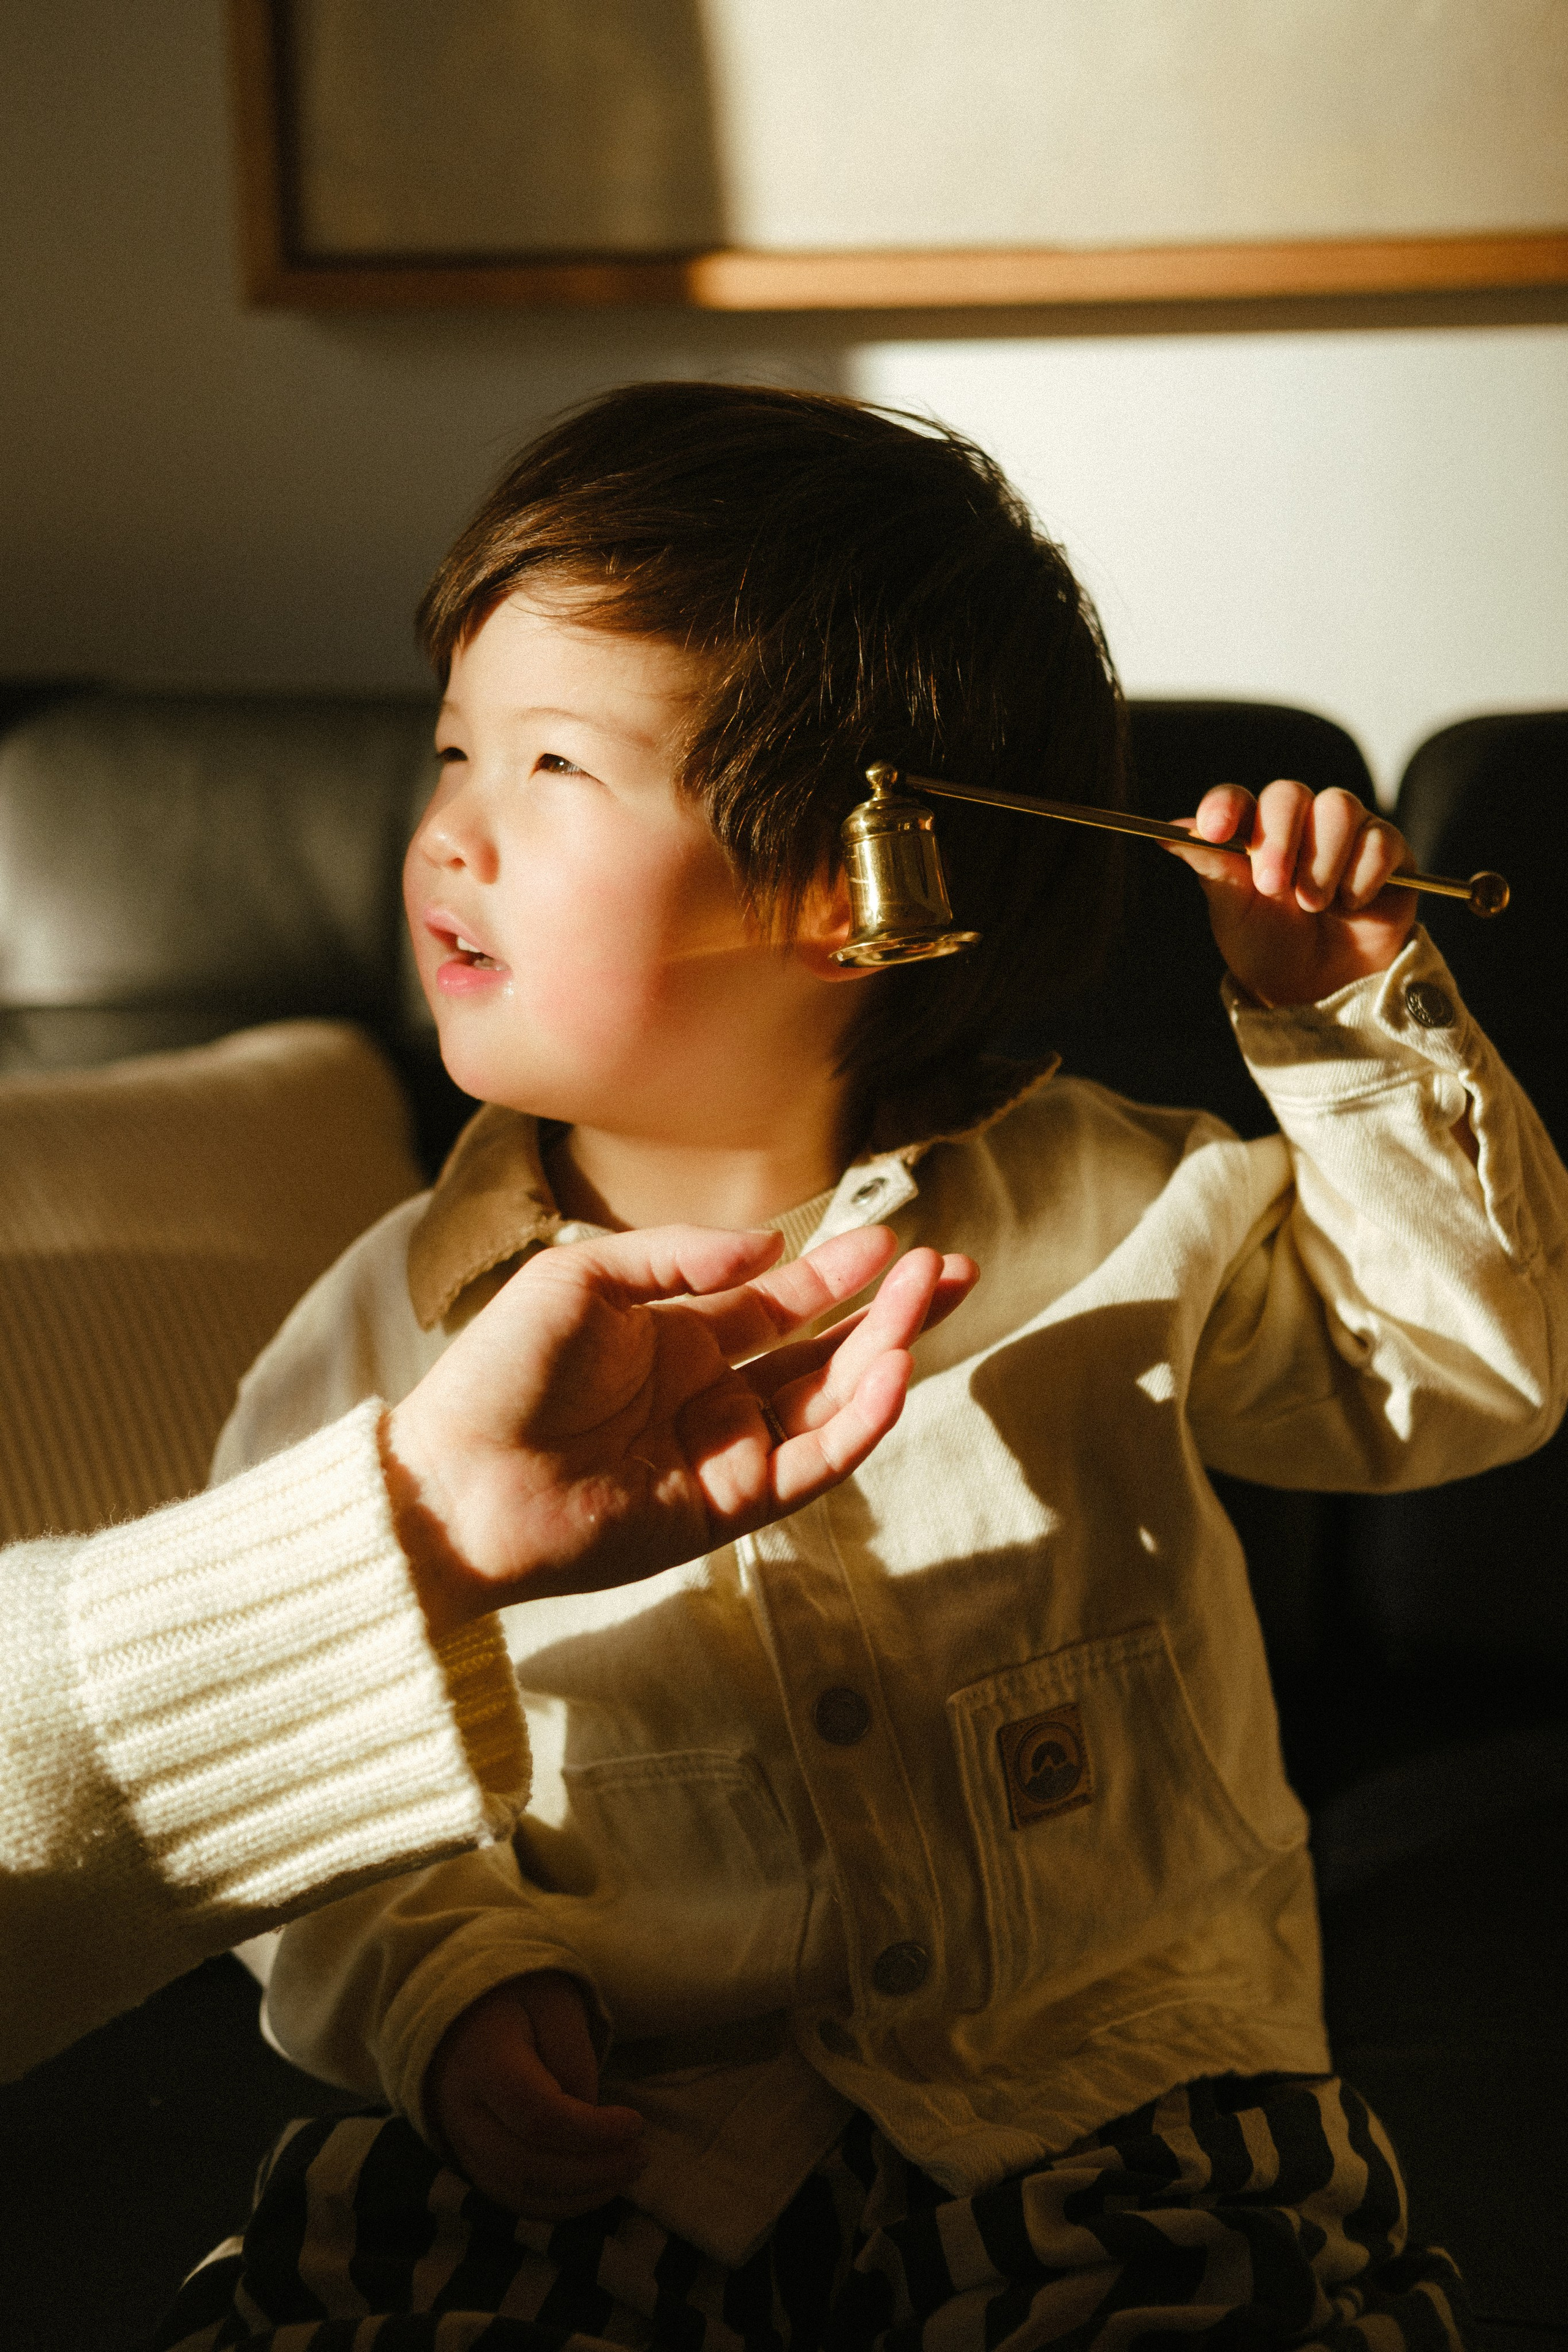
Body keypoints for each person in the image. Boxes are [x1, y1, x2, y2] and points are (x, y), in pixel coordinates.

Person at [155, 385, 1568, 2352]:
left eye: (553, 763)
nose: (450, 831)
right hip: (605, 2150)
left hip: (1121, 2106)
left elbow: (1458, 1374)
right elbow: (290, 1762)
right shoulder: (390, 1338)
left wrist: (1347, 1022)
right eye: (456, 748)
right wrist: (443, 1988)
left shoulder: (1123, 1206)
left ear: (853, 884)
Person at [2, 1213, 971, 2081]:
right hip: (644, 2156)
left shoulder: (1113, 1192)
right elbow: (312, 1852)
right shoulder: (357, 1321)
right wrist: (442, 1975)